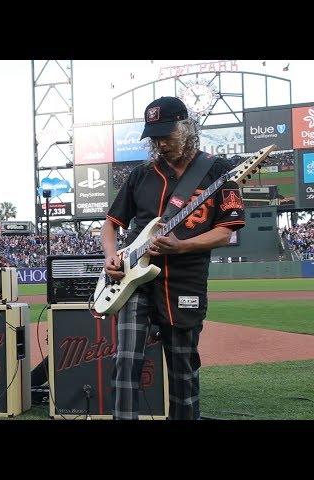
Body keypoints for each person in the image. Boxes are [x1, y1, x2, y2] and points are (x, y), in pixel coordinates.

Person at [101, 97, 245, 420]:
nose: (161, 144)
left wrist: (180, 247)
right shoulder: (140, 175)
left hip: (185, 283)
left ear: (186, 127)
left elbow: (226, 233)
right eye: (155, 138)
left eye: (167, 135)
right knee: (125, 362)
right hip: (133, 282)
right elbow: (110, 226)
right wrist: (111, 256)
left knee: (183, 372)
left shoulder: (219, 172)